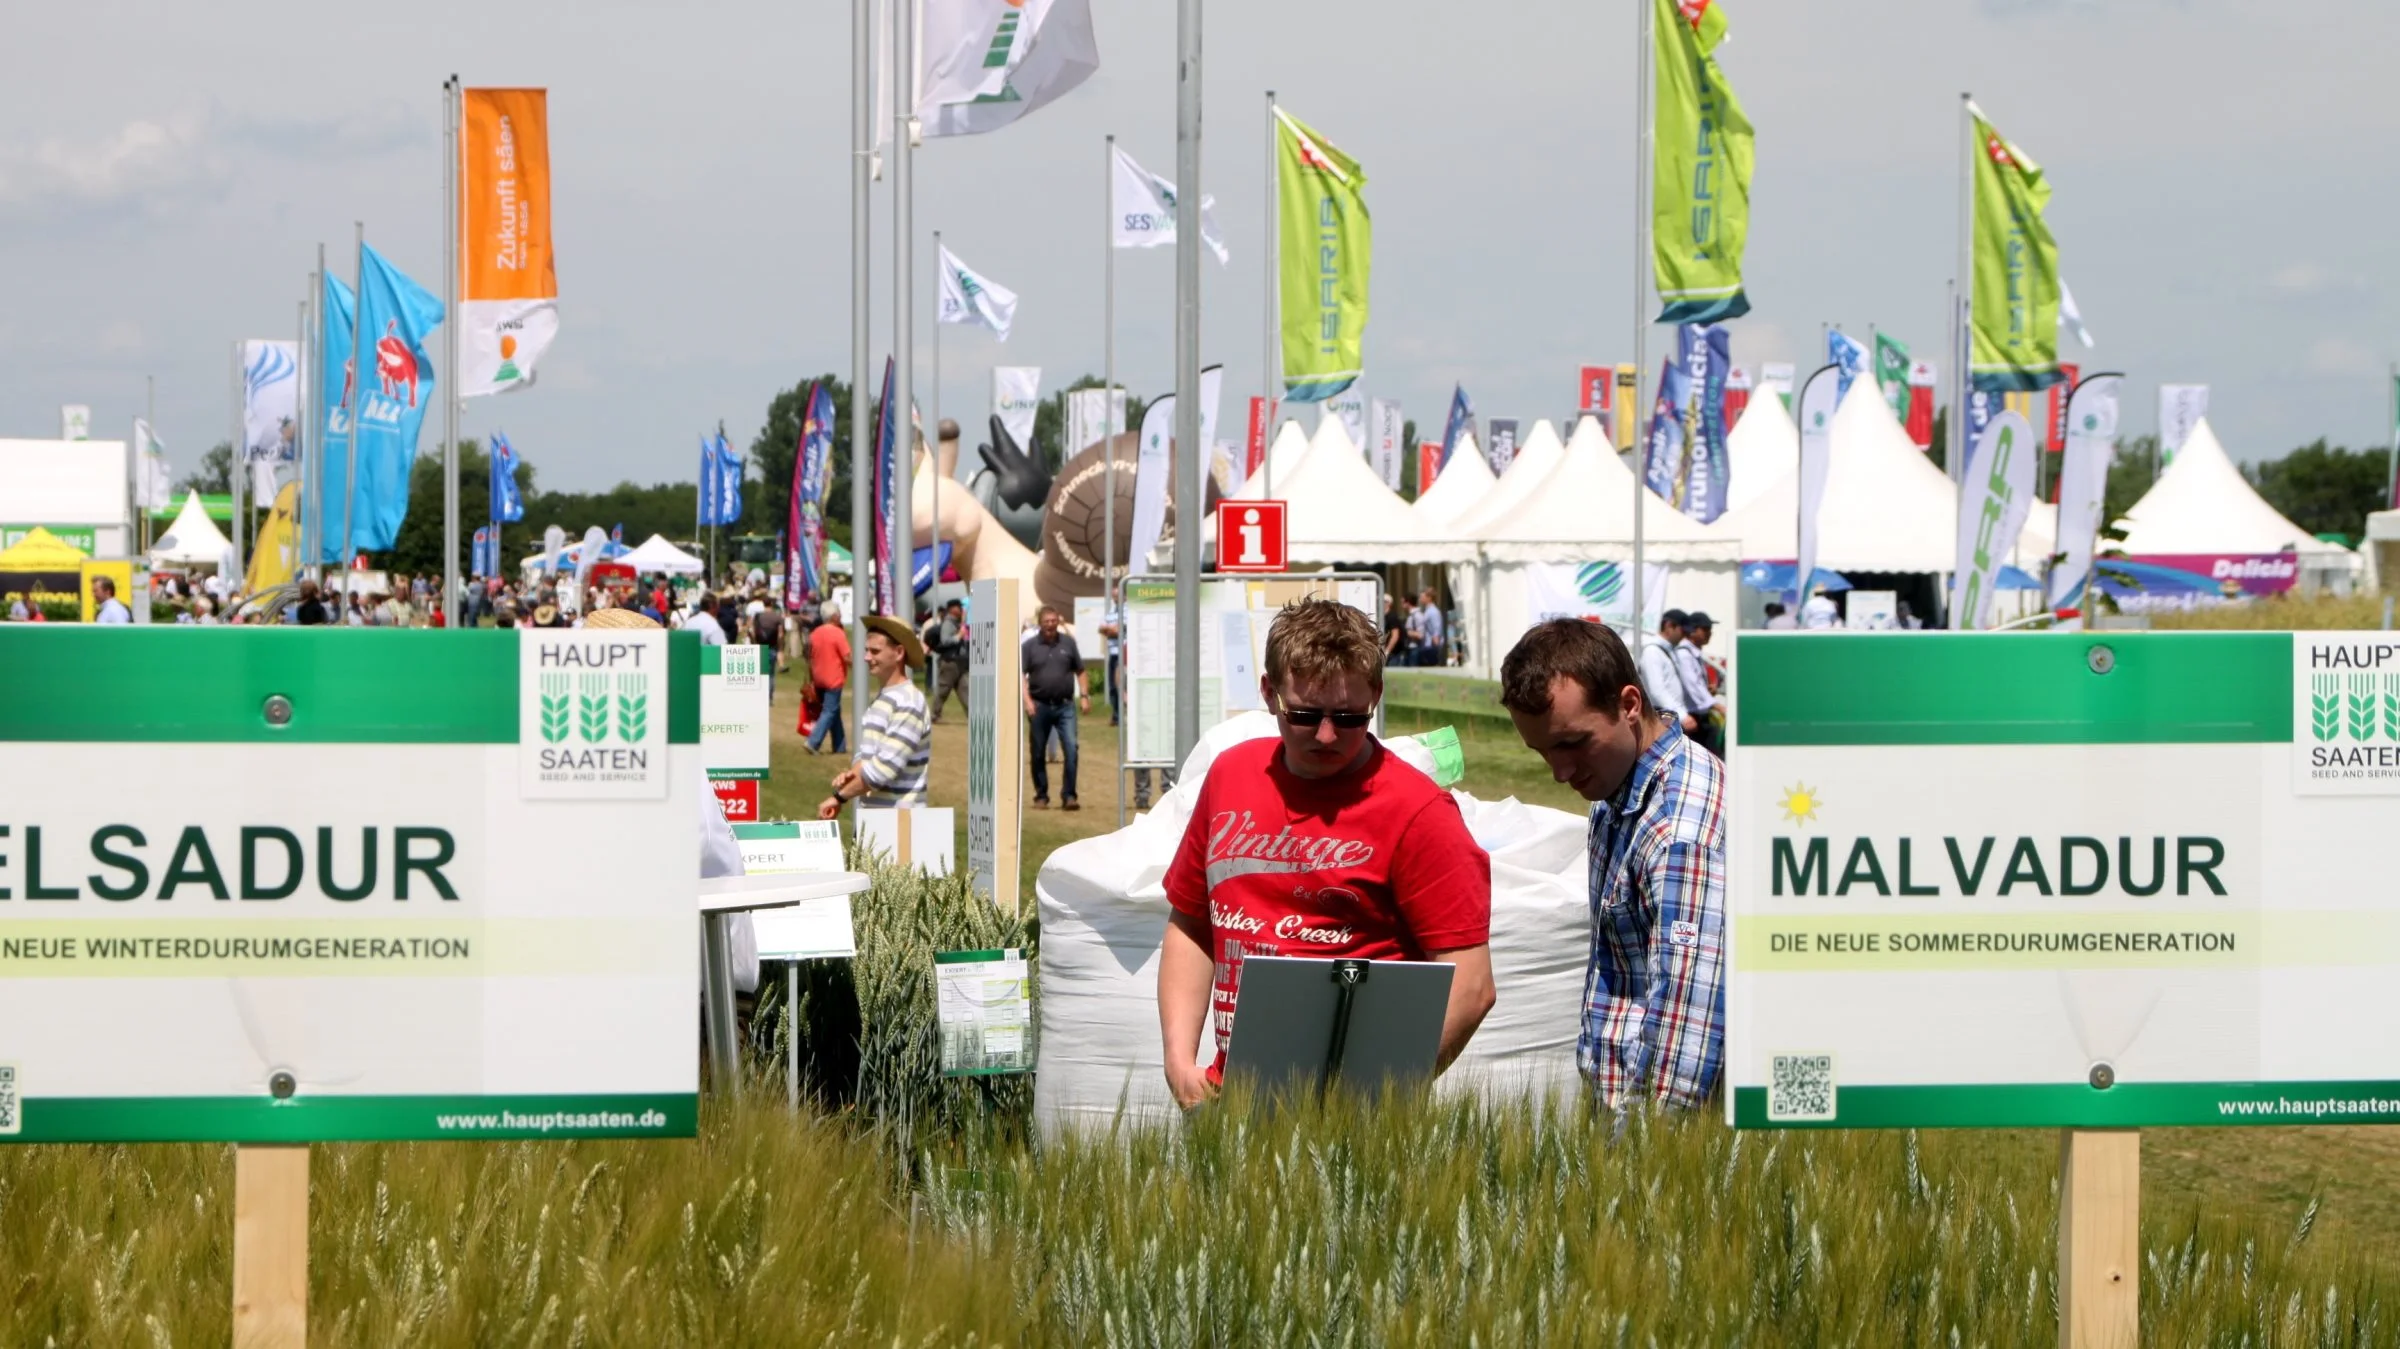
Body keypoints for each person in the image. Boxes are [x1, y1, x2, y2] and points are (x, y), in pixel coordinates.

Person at [1158, 598, 1497, 1109]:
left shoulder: (1420, 811)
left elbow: (1471, 985)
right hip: (1227, 1098)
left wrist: (1377, 1093)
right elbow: (1190, 922)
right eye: (1304, 714)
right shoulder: (1230, 775)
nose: (1325, 735)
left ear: (1376, 697)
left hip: (1354, 1120)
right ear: (1269, 693)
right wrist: (1179, 1059)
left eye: (1349, 717)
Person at [1499, 618, 1727, 1111]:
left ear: (1628, 705)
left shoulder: (1680, 832)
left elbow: (1685, 1040)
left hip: (1659, 1147)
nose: (1560, 772)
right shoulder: (1615, 787)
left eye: (1571, 743)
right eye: (1542, 752)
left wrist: (1646, 1160)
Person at [818, 615, 931, 818]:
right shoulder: (883, 699)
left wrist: (838, 797)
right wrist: (851, 774)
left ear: (898, 653)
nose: (866, 657)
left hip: (902, 823)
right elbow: (868, 757)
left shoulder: (909, 702)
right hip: (877, 819)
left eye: (875, 651)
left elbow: (882, 771)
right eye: (866, 650)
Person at [1020, 605, 1088, 810]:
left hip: (1065, 706)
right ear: (1039, 623)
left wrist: (1084, 696)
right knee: (1038, 752)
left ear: (1058, 621)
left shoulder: (1068, 643)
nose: (1050, 625)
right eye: (1046, 621)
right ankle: (1041, 795)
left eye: (1053, 621)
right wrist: (1027, 700)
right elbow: (1021, 675)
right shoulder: (1029, 646)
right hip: (1039, 706)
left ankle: (1069, 796)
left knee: (1071, 750)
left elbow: (1081, 671)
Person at [1674, 612, 1726, 757]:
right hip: (1691, 717)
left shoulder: (1693, 653)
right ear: (1692, 630)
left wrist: (1709, 690)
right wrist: (1717, 705)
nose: (1710, 633)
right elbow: (1693, 686)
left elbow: (1697, 684)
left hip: (1699, 715)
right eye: (1705, 629)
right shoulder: (1684, 654)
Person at [803, 606, 852, 753]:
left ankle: (839, 747)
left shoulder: (815, 633)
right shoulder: (838, 633)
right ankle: (813, 742)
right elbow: (847, 656)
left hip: (818, 677)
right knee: (830, 711)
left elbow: (809, 657)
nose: (841, 616)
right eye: (839, 613)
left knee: (834, 712)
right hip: (833, 678)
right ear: (834, 616)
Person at [1640, 611, 1696, 739]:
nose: (1684, 637)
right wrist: (1682, 716)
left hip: (1671, 717)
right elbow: (1657, 691)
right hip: (1663, 718)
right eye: (1683, 631)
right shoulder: (1652, 652)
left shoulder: (1668, 650)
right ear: (1669, 626)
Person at [926, 598, 970, 723]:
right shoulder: (948, 623)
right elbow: (945, 640)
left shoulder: (957, 623)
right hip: (950, 662)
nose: (961, 609)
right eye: (959, 607)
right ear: (953, 609)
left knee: (965, 690)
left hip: (959, 662)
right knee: (943, 689)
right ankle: (935, 715)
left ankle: (973, 716)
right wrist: (958, 637)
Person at [748, 597, 785, 703]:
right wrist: (780, 646)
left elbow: (752, 631)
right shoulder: (777, 616)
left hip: (760, 646)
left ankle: (759, 695)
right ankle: (769, 697)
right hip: (772, 646)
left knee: (759, 672)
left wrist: (754, 643)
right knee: (771, 674)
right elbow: (781, 634)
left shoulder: (758, 616)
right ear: (772, 604)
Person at [1415, 589, 1447, 667]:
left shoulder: (1433, 612)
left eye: (1422, 597)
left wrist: (1436, 645)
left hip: (1431, 646)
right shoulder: (1427, 610)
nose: (1420, 599)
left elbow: (1436, 628)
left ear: (1429, 598)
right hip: (1426, 645)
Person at [1382, 592, 1409, 664]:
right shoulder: (1383, 616)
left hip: (1394, 653)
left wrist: (1387, 651)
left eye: (1383, 601)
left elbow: (1395, 635)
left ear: (1389, 603)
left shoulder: (1392, 617)